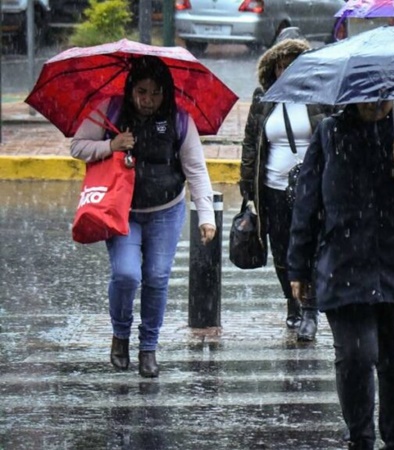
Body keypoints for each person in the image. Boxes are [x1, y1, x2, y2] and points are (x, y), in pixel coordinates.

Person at [287, 100, 394, 449]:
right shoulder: (330, 132)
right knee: (356, 356)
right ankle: (360, 439)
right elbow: (307, 202)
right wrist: (298, 265)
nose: (376, 98)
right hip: (345, 267)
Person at [70, 55, 217, 378]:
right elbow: (77, 147)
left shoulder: (179, 120)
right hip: (122, 210)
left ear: (165, 92)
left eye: (155, 92)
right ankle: (120, 335)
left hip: (166, 211)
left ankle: (148, 346)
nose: (147, 100)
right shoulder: (110, 110)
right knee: (126, 275)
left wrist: (206, 215)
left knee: (157, 277)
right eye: (141, 92)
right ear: (130, 89)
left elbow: (195, 168)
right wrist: (111, 145)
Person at [239, 36, 333, 342]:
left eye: (295, 64)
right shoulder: (263, 98)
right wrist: (247, 188)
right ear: (274, 70)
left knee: (313, 247)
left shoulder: (320, 96)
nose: (288, 70)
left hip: (313, 189)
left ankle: (311, 310)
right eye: (282, 66)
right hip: (273, 189)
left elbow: (335, 137)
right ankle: (291, 301)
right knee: (282, 249)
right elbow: (252, 144)